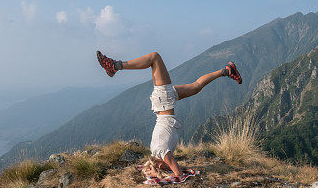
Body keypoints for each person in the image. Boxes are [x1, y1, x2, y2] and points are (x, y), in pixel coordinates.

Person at [96, 50, 241, 179]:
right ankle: (227, 71)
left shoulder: (161, 151)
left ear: (160, 165)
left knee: (154, 57)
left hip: (163, 101)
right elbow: (176, 169)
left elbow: (177, 172)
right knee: (196, 87)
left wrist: (168, 174)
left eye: (166, 168)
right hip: (163, 103)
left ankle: (114, 66)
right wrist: (166, 172)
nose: (169, 166)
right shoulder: (157, 151)